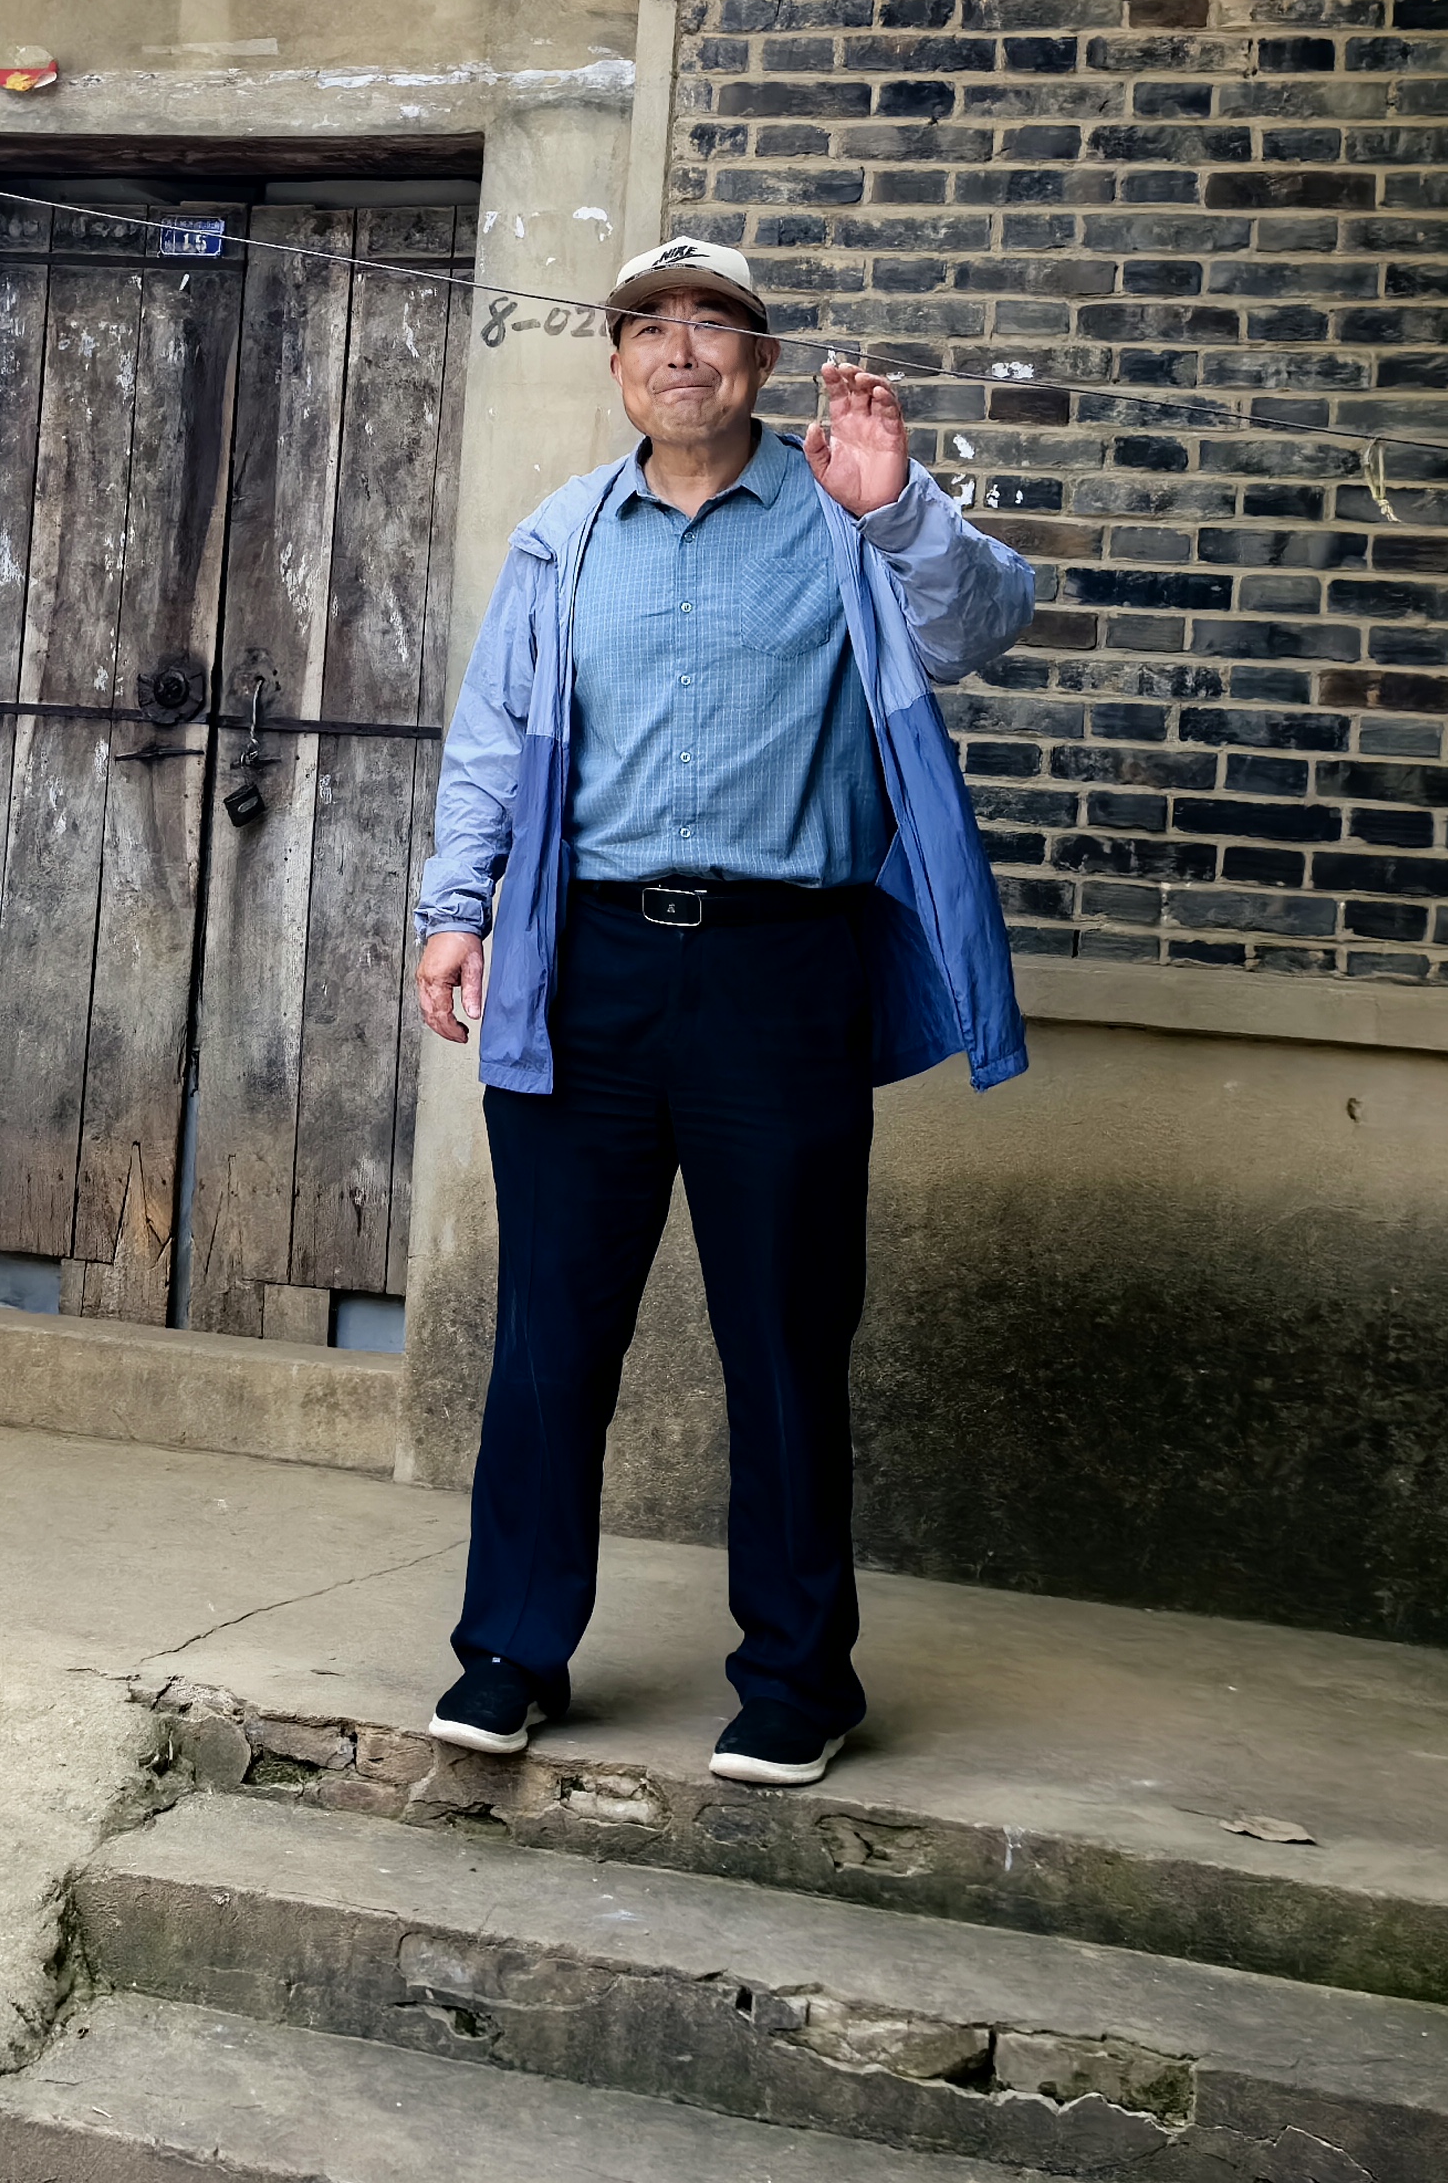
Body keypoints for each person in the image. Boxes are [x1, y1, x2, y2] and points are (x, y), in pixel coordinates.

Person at [412, 234, 1033, 1791]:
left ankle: (799, 1678)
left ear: (759, 363)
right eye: (650, 325)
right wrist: (454, 909)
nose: (680, 349)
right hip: (589, 969)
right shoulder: (565, 537)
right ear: (619, 362)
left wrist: (897, 503)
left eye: (713, 325)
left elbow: (983, 625)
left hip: (782, 970)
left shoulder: (842, 519)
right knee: (553, 1328)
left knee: (786, 1333)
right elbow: (494, 739)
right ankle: (510, 1652)